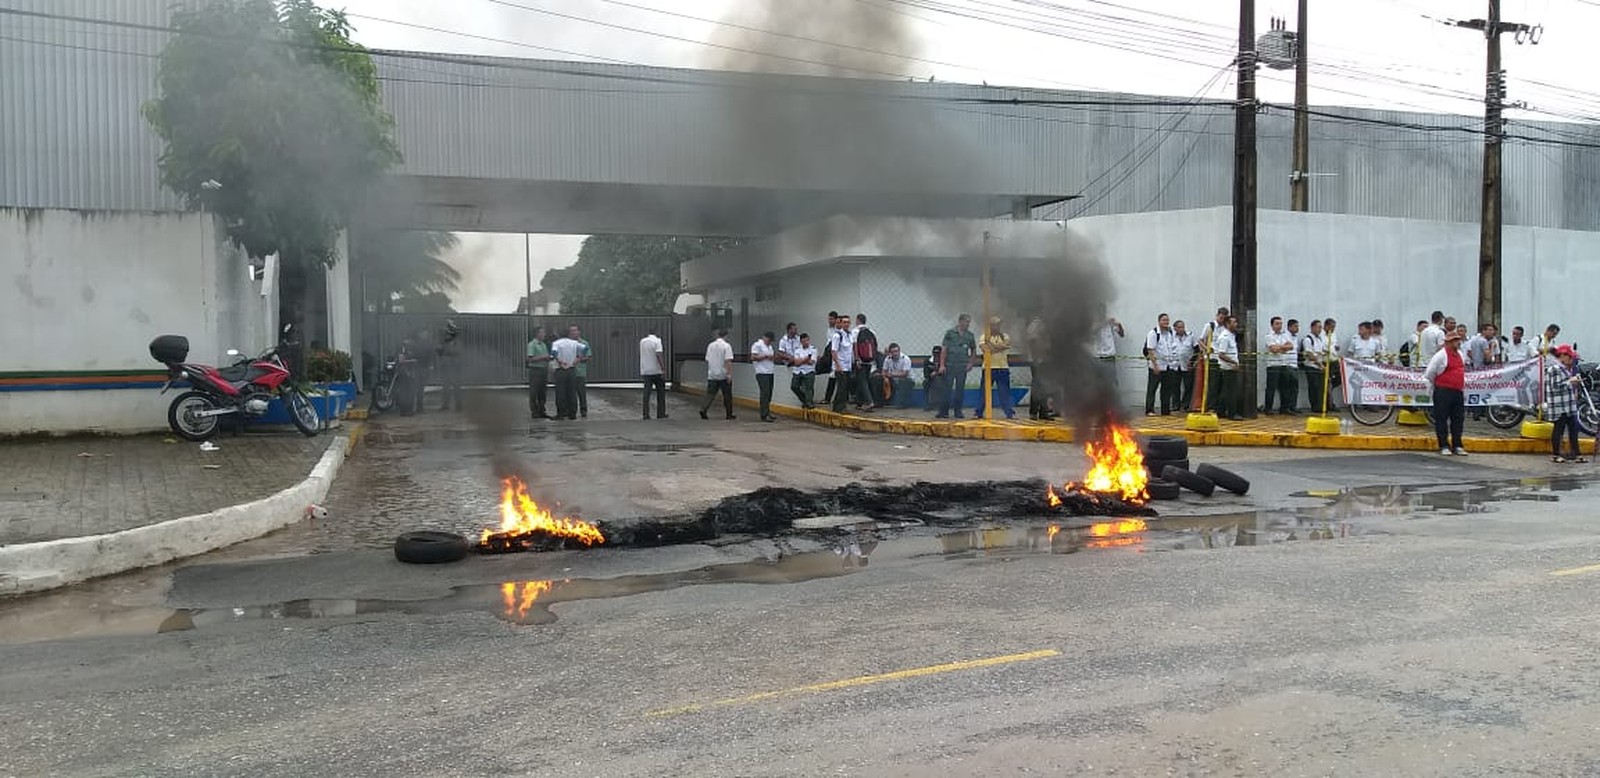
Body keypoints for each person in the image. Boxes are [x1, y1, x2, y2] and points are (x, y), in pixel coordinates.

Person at [1423, 328, 1468, 456]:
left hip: (1457, 391)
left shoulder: (1460, 354)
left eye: (1458, 340)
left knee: (1458, 419)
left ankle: (1457, 445)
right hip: (1443, 391)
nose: (1457, 343)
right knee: (1441, 419)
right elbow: (1430, 373)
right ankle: (1443, 445)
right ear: (1447, 342)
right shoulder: (1440, 356)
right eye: (1454, 341)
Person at [1545, 344, 1588, 463]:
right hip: (1559, 406)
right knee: (1558, 430)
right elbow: (1555, 387)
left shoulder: (1566, 369)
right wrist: (1571, 382)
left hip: (1568, 405)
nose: (1571, 360)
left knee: (1574, 430)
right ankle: (1556, 454)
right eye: (1570, 357)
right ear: (1563, 356)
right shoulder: (1554, 369)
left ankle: (1577, 454)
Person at [937, 314, 978, 419]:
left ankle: (958, 411)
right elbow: (944, 349)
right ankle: (943, 411)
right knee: (946, 389)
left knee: (960, 389)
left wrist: (970, 363)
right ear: (960, 321)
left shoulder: (969, 335)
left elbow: (973, 350)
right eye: (966, 321)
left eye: (969, 322)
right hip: (950, 365)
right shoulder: (950, 333)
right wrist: (942, 365)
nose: (968, 324)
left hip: (962, 366)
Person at [1144, 313, 1182, 416]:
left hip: (1168, 365)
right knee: (1152, 388)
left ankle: (1165, 410)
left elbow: (1172, 348)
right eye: (1164, 320)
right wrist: (1155, 365)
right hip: (1156, 366)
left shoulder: (1170, 333)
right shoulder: (1153, 333)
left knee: (1166, 389)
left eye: (1167, 320)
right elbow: (1150, 350)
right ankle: (1149, 409)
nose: (1166, 322)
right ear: (1159, 321)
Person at [981, 317, 1016, 419]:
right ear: (990, 326)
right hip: (988, 367)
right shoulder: (984, 336)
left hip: (1002, 367)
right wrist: (999, 348)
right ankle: (979, 412)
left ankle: (1009, 412)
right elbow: (985, 349)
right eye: (994, 324)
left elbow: (1006, 345)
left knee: (1004, 391)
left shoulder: (1005, 336)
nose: (996, 326)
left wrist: (991, 346)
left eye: (998, 324)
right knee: (984, 391)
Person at [1209, 316, 1243, 420]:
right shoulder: (1225, 337)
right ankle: (1232, 413)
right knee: (1231, 392)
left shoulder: (1231, 336)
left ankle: (1220, 411)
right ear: (1228, 324)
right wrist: (1233, 362)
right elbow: (1221, 354)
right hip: (1228, 368)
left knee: (1226, 391)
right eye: (1234, 322)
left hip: (1231, 367)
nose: (1236, 324)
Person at [1262, 316, 1298, 414]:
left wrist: (1280, 347)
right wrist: (1283, 347)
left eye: (1281, 324)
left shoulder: (1284, 335)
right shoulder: (1269, 336)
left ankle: (1284, 408)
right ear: (1272, 325)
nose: (1279, 326)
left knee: (1285, 387)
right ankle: (1268, 408)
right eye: (1277, 324)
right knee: (1271, 388)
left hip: (1283, 363)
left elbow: (1291, 346)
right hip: (1273, 364)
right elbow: (1273, 349)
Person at [700, 329, 736, 420]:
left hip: (712, 374)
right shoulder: (726, 346)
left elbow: (707, 359)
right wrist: (729, 374)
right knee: (727, 395)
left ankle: (704, 409)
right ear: (726, 336)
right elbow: (728, 361)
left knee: (710, 394)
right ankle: (729, 414)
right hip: (723, 374)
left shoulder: (710, 345)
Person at [550, 327, 583, 421]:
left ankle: (561, 414)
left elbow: (553, 354)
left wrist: (561, 362)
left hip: (561, 370)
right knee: (572, 392)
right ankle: (572, 414)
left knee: (560, 392)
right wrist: (574, 362)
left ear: (559, 335)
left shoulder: (556, 343)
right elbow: (584, 351)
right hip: (571, 370)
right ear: (568, 334)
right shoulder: (575, 343)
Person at [1299, 318, 1328, 413]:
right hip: (1312, 366)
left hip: (1320, 366)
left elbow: (1321, 352)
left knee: (1321, 388)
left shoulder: (1319, 339)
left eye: (1321, 328)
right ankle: (1315, 406)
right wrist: (1320, 364)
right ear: (1312, 327)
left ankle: (1321, 406)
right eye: (1318, 327)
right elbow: (1310, 355)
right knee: (1314, 387)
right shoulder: (1308, 339)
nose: (1320, 329)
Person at [829, 316, 856, 414]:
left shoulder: (849, 335)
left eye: (848, 322)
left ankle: (836, 406)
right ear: (840, 323)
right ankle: (841, 407)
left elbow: (850, 351)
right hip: (840, 366)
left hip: (847, 366)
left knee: (845, 387)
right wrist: (838, 365)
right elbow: (834, 351)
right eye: (844, 322)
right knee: (842, 388)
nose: (846, 324)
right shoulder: (837, 336)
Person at [852, 314, 879, 411]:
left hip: (860, 360)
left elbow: (854, 346)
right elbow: (875, 346)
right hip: (870, 360)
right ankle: (859, 402)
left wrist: (856, 359)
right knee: (863, 380)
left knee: (863, 382)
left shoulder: (855, 331)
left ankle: (869, 402)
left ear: (858, 320)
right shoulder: (872, 332)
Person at [639, 327, 667, 420]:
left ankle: (645, 414)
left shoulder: (642, 341)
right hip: (656, 371)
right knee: (661, 393)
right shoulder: (658, 341)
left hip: (646, 370)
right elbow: (659, 355)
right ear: (656, 332)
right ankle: (661, 413)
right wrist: (663, 369)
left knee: (646, 393)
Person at [526, 325, 552, 420]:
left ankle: (542, 411)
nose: (544, 334)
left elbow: (545, 357)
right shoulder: (532, 344)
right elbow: (530, 359)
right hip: (535, 370)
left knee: (543, 392)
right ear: (537, 334)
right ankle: (535, 412)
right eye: (542, 332)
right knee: (534, 392)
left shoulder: (543, 344)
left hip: (543, 370)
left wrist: (548, 359)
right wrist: (543, 358)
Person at [436, 318, 462, 412]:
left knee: (456, 386)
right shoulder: (444, 342)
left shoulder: (456, 341)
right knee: (446, 386)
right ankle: (445, 405)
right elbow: (439, 351)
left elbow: (457, 352)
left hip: (454, 365)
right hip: (445, 365)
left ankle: (459, 405)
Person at [751, 331, 777, 422]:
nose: (770, 342)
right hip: (761, 372)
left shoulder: (769, 347)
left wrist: (772, 357)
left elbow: (773, 357)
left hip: (770, 371)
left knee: (769, 393)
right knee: (765, 393)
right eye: (769, 340)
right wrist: (765, 357)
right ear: (765, 338)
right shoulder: (757, 345)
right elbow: (753, 357)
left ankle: (767, 411)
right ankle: (764, 414)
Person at [878, 343, 914, 408]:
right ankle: (880, 402)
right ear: (890, 353)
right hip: (893, 380)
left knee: (903, 381)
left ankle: (901, 404)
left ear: (899, 351)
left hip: (907, 380)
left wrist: (891, 374)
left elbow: (905, 374)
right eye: (892, 352)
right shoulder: (887, 359)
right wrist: (885, 377)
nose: (895, 353)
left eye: (896, 351)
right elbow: (883, 371)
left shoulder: (905, 359)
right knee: (880, 379)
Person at [1093, 315, 1124, 390]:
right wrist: (1103, 323)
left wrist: (1119, 325)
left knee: (1112, 382)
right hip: (1098, 358)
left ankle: (1114, 399)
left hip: (1109, 358)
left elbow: (1121, 334)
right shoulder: (1094, 324)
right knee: (1097, 383)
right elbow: (1092, 331)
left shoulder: (1110, 324)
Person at [789, 333, 818, 409]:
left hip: (809, 371)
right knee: (794, 387)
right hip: (797, 371)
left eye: (807, 340)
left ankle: (809, 403)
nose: (806, 342)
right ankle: (804, 400)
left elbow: (811, 362)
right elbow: (796, 363)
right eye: (804, 341)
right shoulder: (797, 350)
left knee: (809, 388)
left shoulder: (813, 349)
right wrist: (806, 359)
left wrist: (801, 360)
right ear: (801, 342)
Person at [1174, 319, 1197, 410]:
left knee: (1188, 386)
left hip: (1187, 365)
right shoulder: (1171, 337)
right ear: (1175, 328)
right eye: (1179, 327)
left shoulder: (1190, 336)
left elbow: (1197, 350)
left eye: (1183, 327)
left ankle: (1185, 405)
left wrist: (1192, 361)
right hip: (1175, 364)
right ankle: (1176, 404)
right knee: (1175, 386)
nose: (1181, 329)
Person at [572, 327, 592, 418]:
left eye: (575, 330)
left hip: (580, 372)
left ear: (579, 332)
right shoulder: (568, 343)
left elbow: (588, 356)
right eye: (572, 331)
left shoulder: (584, 343)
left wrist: (580, 359)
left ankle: (583, 411)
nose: (573, 332)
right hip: (570, 371)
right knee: (571, 393)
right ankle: (572, 411)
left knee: (581, 393)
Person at [923, 345, 947, 412]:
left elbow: (946, 373)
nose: (936, 355)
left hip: (942, 379)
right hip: (930, 379)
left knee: (938, 381)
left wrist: (936, 373)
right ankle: (929, 404)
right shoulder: (928, 361)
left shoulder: (945, 361)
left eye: (938, 353)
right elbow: (926, 374)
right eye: (935, 353)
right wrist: (931, 375)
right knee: (926, 383)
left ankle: (940, 404)